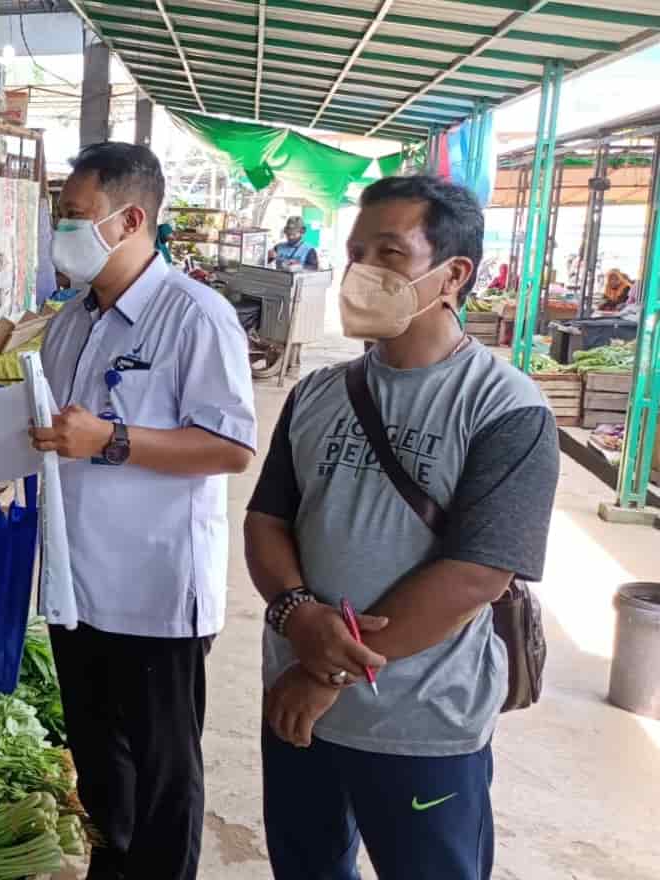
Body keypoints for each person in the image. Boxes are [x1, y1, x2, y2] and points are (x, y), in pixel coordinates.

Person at [0, 141, 256, 880]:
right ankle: (112, 866)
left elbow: (231, 447)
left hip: (155, 589)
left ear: (131, 219)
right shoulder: (75, 320)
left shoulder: (195, 318)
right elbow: (37, 417)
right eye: (62, 214)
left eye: (76, 216)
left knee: (164, 772)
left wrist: (111, 438)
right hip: (77, 584)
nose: (63, 232)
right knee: (97, 753)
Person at [244, 175, 559, 880]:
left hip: (421, 726)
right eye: (357, 252)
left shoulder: (506, 409)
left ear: (453, 274)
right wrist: (297, 614)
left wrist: (327, 668)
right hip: (296, 709)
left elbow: (478, 573)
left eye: (390, 253)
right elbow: (267, 519)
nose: (364, 273)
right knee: (307, 868)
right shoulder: (319, 392)